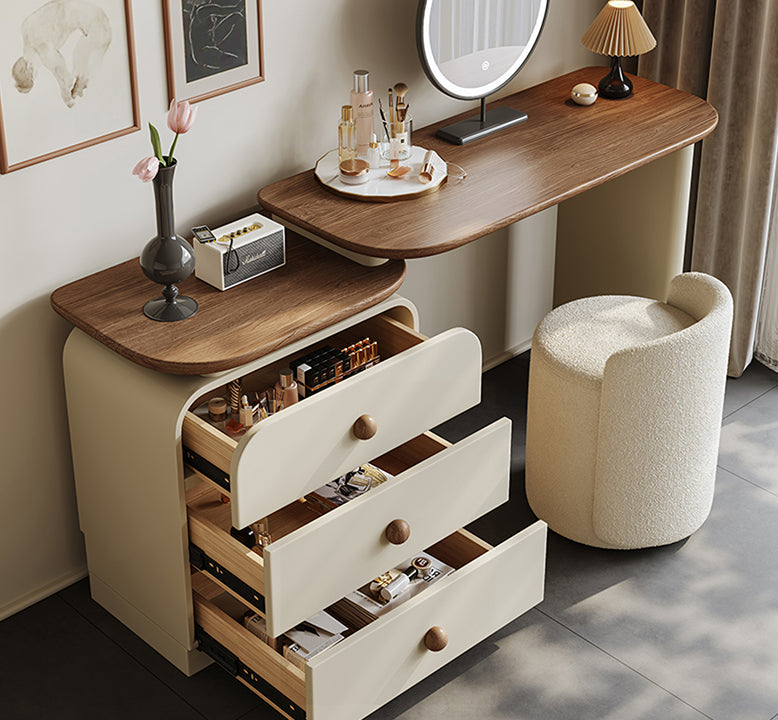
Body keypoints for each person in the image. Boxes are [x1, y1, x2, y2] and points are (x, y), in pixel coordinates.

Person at [12, 0, 112, 108]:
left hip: (99, 26)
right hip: (93, 18)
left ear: (29, 69)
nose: (37, 73)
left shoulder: (41, 49)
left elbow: (60, 72)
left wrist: (67, 97)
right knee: (80, 60)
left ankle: (79, 89)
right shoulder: (25, 30)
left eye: (33, 76)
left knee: (80, 62)